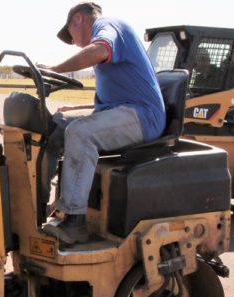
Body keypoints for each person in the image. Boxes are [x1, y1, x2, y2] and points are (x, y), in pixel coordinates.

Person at [39, 2, 165, 244]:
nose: (75, 42)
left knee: (81, 133)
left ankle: (74, 221)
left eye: (71, 36)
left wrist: (55, 69)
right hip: (124, 112)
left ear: (79, 19)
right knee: (55, 126)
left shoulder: (108, 26)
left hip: (142, 116)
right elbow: (109, 103)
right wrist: (75, 109)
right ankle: (41, 205)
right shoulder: (106, 42)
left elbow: (99, 50)